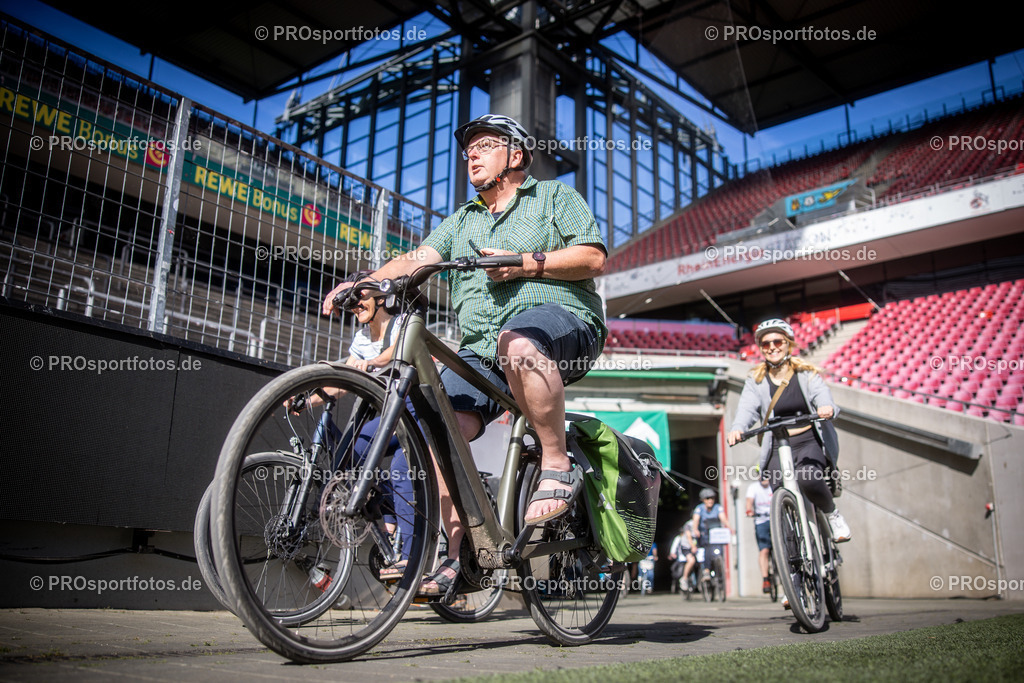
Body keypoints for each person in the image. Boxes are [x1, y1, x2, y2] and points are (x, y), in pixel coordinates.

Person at [321, 114, 607, 599]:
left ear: (515, 156)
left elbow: (593, 257)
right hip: (481, 352)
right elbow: (417, 260)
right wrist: (362, 282)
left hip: (563, 323)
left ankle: (558, 464)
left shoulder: (555, 198)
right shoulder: (462, 220)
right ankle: (460, 556)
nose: (470, 155)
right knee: (435, 425)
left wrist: (521, 263)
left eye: (485, 146)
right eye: (467, 149)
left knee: (516, 341)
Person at [291, 272, 413, 582]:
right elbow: (342, 381)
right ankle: (387, 511)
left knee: (401, 469)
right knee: (351, 456)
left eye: (361, 298)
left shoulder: (401, 324)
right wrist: (306, 398)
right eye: (352, 302)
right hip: (386, 414)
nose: (356, 305)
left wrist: (370, 364)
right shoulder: (361, 338)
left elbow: (392, 356)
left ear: (381, 298)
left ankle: (413, 560)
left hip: (414, 410)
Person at [727, 319, 851, 545]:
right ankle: (793, 549)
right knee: (781, 492)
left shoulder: (804, 373)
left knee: (808, 479)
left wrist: (826, 407)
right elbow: (746, 408)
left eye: (777, 341)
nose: (772, 347)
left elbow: (821, 394)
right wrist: (737, 428)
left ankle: (832, 515)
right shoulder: (756, 380)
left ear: (788, 344)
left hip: (807, 440)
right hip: (777, 445)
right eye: (766, 344)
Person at [746, 471, 774, 593]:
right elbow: (749, 502)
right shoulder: (753, 487)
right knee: (764, 550)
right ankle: (765, 579)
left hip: (775, 520)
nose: (764, 477)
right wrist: (749, 510)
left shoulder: (774, 485)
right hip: (761, 521)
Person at [668, 521, 696, 593]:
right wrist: (672, 554)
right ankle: (683, 579)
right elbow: (674, 547)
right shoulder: (679, 538)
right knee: (677, 572)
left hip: (693, 552)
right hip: (682, 557)